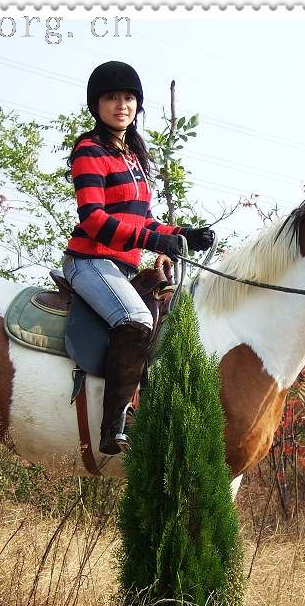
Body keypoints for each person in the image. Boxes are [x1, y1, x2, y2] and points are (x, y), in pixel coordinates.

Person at [64, 61, 214, 455]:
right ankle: (113, 427)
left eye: (128, 98)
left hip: (123, 267)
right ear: (96, 104)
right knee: (136, 319)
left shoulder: (133, 157)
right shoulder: (89, 150)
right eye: (112, 97)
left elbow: (144, 221)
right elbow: (94, 220)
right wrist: (152, 239)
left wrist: (181, 235)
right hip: (90, 261)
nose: (121, 105)